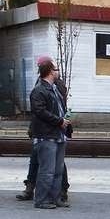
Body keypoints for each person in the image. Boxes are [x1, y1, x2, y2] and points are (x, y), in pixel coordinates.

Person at [17, 56, 71, 202]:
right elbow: (39, 111)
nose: (58, 71)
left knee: (56, 169)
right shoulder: (40, 89)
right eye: (56, 68)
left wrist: (63, 121)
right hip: (46, 134)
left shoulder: (56, 87)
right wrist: (59, 121)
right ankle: (42, 198)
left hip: (57, 133)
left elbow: (60, 108)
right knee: (46, 168)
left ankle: (56, 196)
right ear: (50, 71)